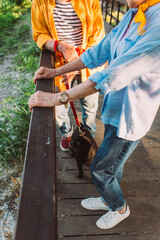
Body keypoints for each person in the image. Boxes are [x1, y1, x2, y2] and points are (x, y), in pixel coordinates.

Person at [29, 0, 160, 229]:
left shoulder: (156, 23)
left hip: (131, 116)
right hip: (115, 108)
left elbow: (113, 75)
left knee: (101, 169)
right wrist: (57, 71)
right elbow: (98, 52)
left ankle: (119, 207)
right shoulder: (133, 14)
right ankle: (108, 198)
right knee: (113, 164)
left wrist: (58, 97)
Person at [31, 0, 105, 151]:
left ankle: (88, 136)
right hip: (59, 65)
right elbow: (39, 34)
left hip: (89, 63)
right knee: (59, 107)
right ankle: (67, 134)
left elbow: (98, 36)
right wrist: (59, 46)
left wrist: (78, 62)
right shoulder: (39, 2)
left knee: (90, 106)